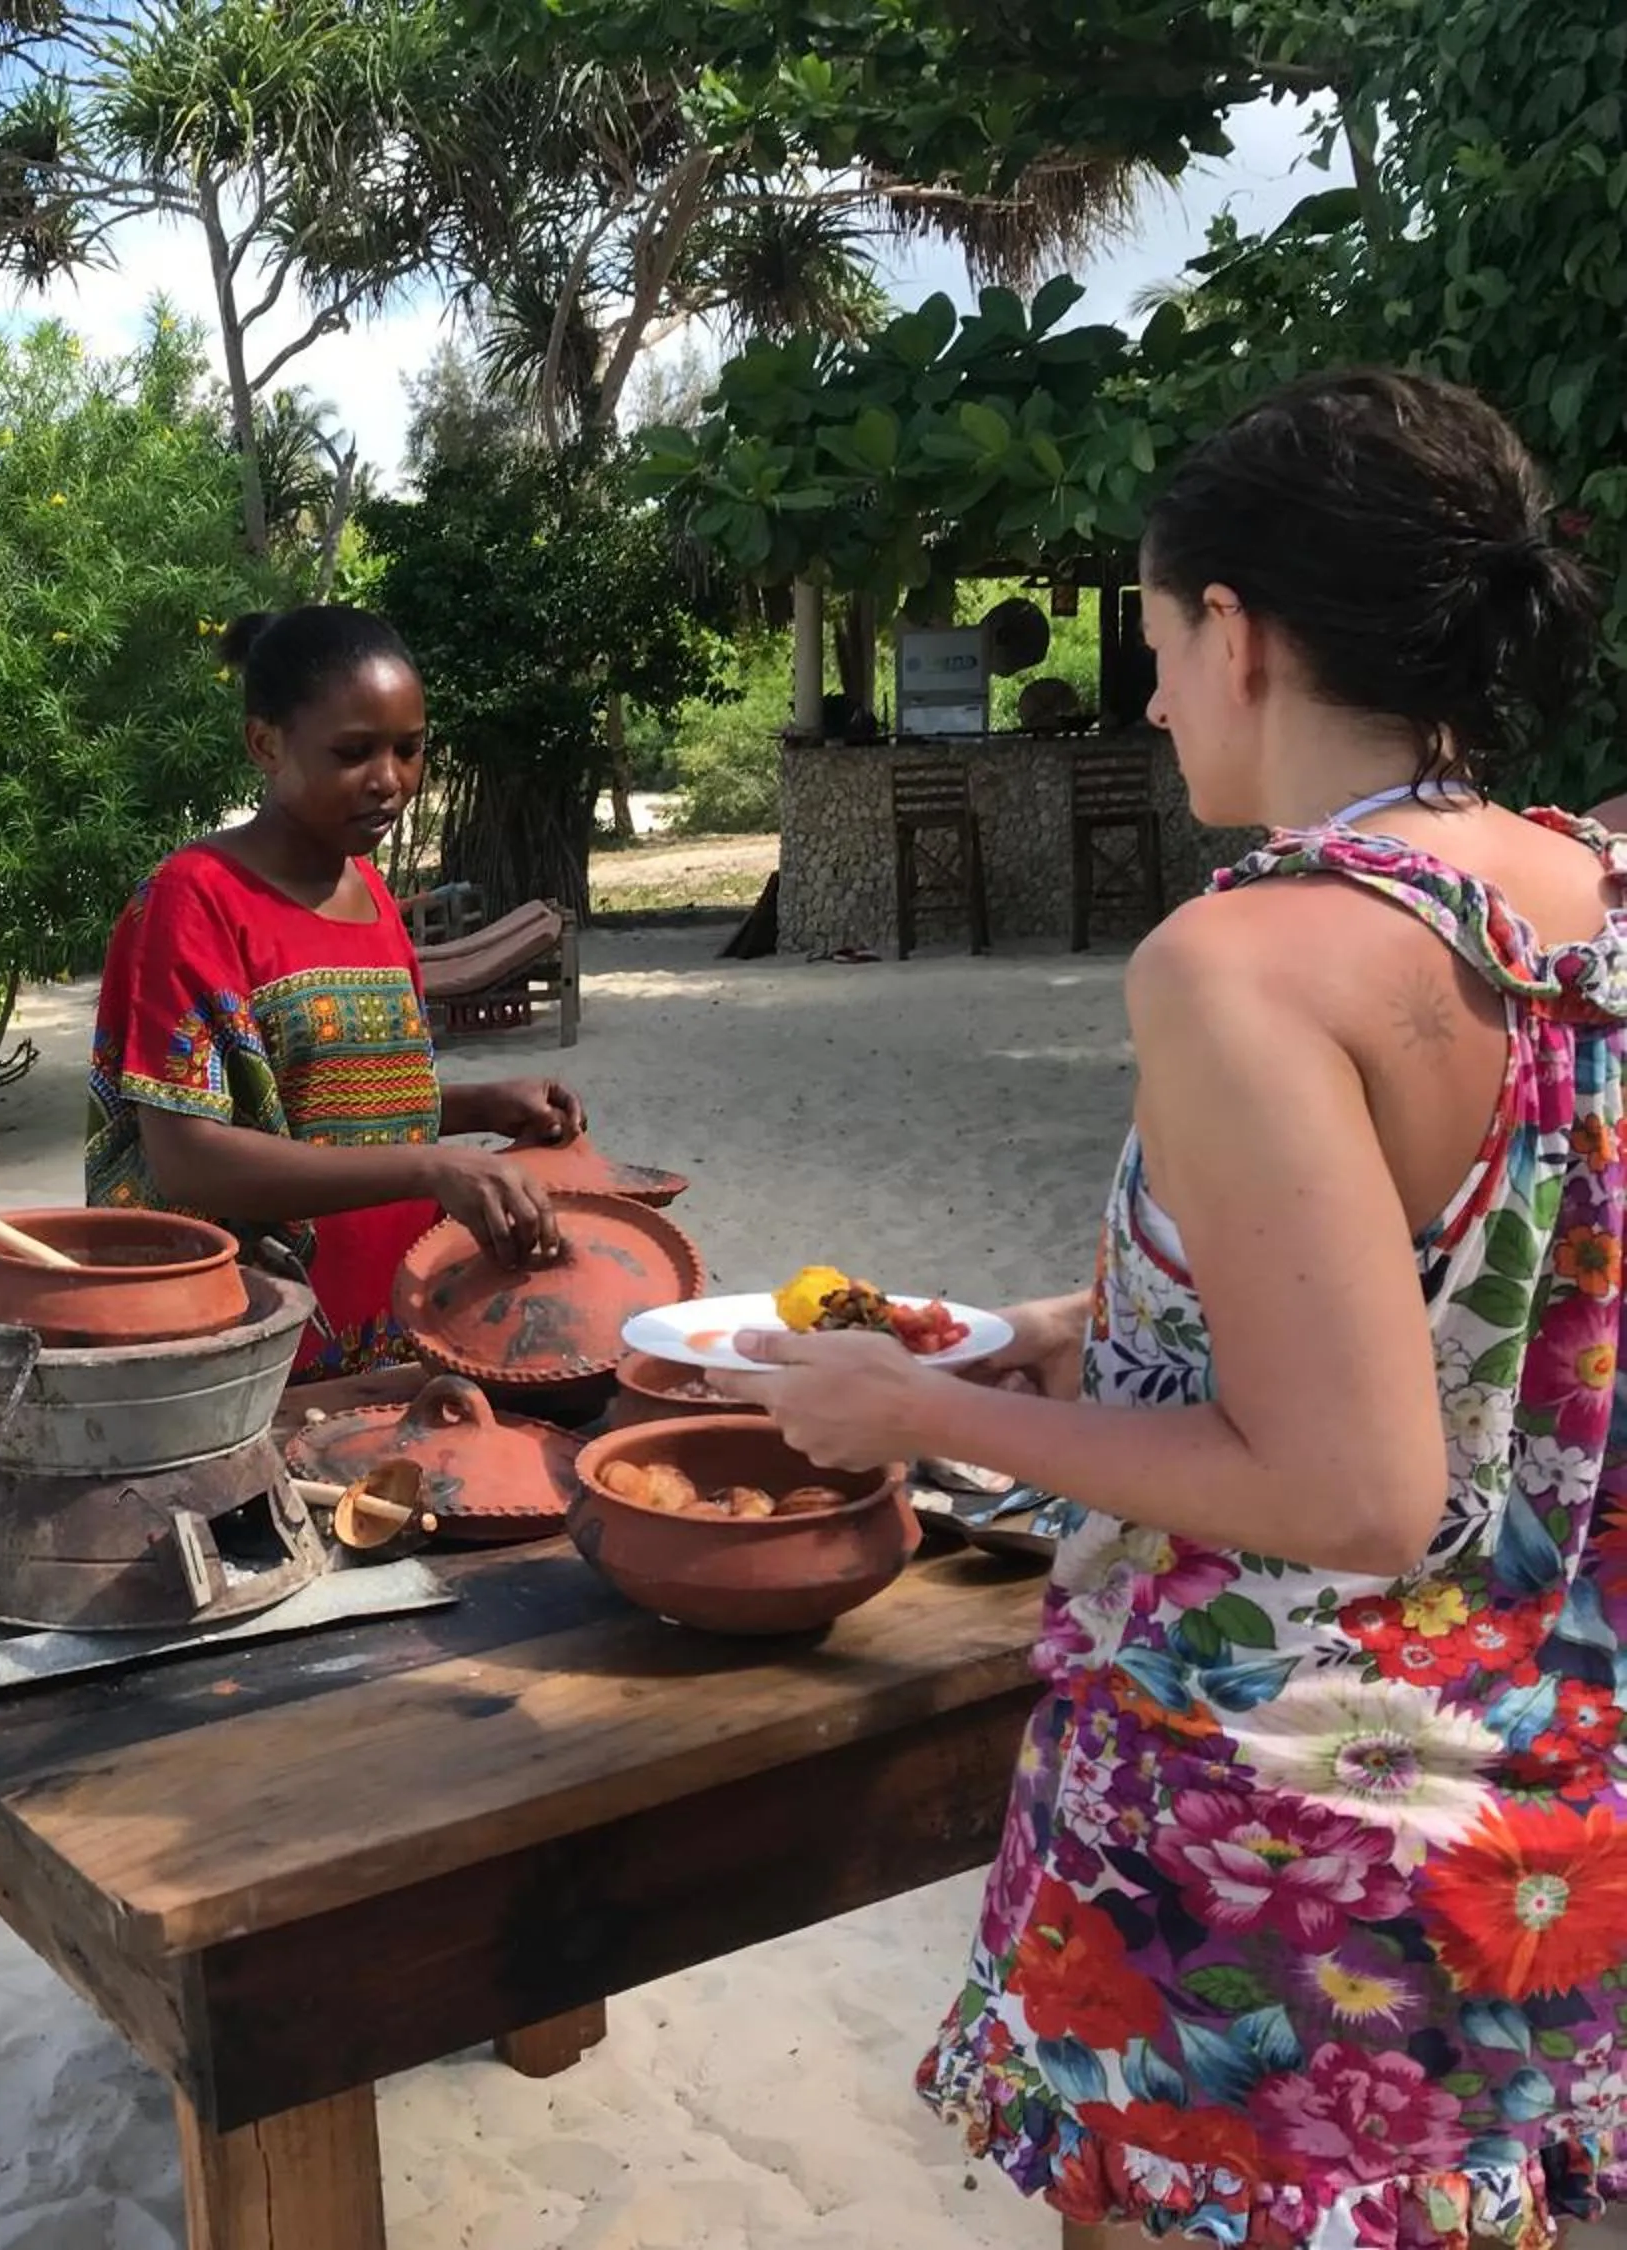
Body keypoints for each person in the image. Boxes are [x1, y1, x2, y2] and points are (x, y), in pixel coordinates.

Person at [718, 371, 1627, 2246]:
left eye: (1153, 645)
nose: (1149, 699)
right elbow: (1496, 1279)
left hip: (1277, 1841)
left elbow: (1355, 1489)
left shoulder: (1245, 962)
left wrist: (915, 1411)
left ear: (1239, 631)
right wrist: (1096, 1320)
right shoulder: (1586, 894)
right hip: (1541, 1798)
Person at [85, 604, 586, 1377]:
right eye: (354, 752)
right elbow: (188, 1156)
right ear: (265, 744)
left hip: (397, 1318)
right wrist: (433, 1167)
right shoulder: (195, 900)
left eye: (409, 750)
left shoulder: (371, 895)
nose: (389, 781)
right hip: (253, 1340)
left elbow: (328, 1104)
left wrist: (482, 1106)